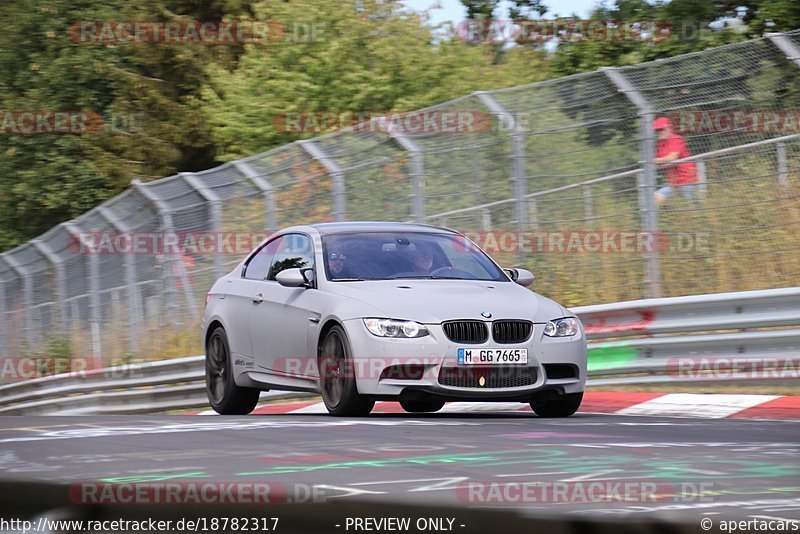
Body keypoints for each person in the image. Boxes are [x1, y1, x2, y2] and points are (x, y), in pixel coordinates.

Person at [653, 117, 699, 203]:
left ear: (669, 128)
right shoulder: (660, 143)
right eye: (658, 130)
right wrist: (658, 162)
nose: (660, 132)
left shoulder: (676, 138)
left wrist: (654, 160)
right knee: (656, 197)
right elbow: (660, 163)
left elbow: (672, 157)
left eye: (662, 129)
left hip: (687, 179)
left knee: (689, 205)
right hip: (674, 182)